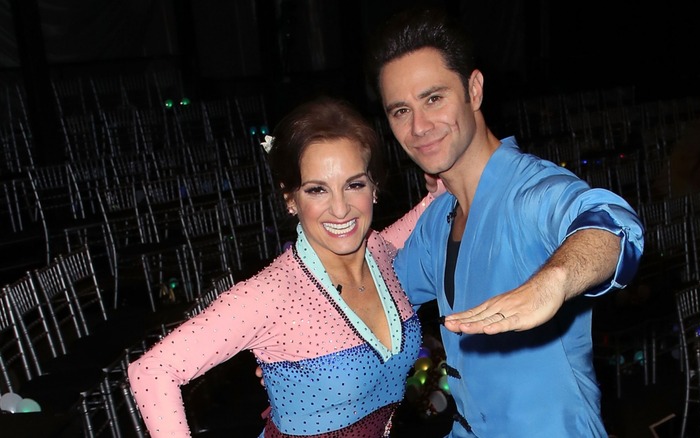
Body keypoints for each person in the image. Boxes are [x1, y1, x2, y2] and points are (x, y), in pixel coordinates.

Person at [367, 8, 645, 437]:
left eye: (434, 98)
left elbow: (613, 226)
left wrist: (553, 280)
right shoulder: (439, 219)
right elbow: (380, 296)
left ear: (474, 90)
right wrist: (300, 354)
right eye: (400, 110)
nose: (419, 126)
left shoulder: (528, 194)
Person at [127, 97, 441, 437]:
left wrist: (436, 195)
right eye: (317, 189)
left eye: (354, 185)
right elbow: (152, 370)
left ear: (374, 187)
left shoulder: (377, 251)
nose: (340, 209)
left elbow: (402, 232)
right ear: (290, 198)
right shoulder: (270, 294)